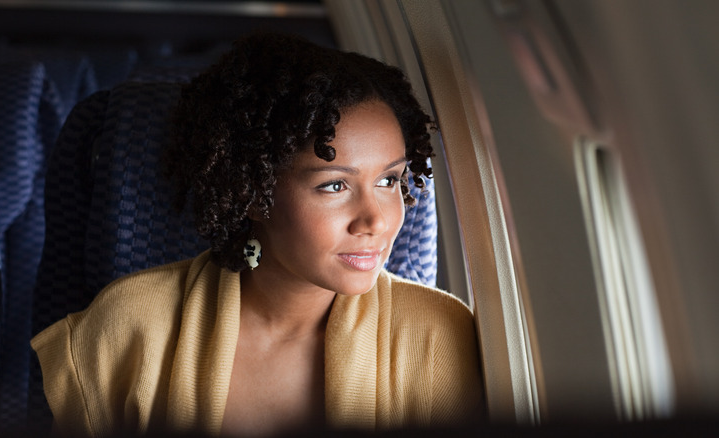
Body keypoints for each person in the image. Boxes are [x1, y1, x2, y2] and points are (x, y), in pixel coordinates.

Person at [32, 32, 485, 437]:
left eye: (389, 180)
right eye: (334, 186)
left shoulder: (440, 338)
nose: (376, 221)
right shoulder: (127, 328)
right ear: (253, 192)